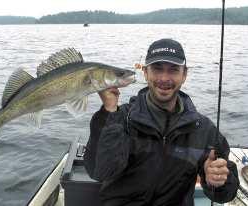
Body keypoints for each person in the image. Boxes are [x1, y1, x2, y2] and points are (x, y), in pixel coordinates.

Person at [84, 38, 239, 206]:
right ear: (145, 72)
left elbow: (226, 195)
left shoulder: (203, 129)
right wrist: (109, 110)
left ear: (184, 75)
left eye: (173, 70)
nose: (164, 78)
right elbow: (98, 171)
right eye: (157, 69)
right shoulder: (118, 118)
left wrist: (218, 181)